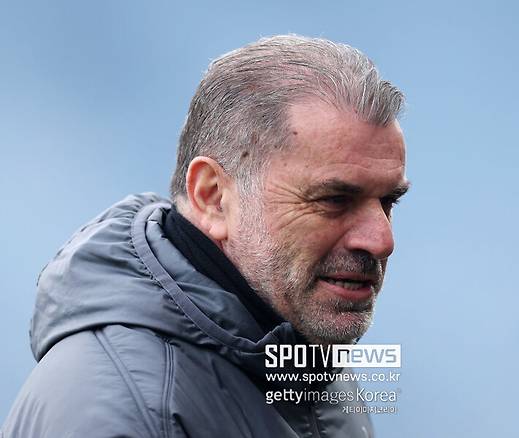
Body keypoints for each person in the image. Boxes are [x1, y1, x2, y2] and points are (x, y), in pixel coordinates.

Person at [2, 35, 408, 438]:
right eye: (335, 200)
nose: (381, 241)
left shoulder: (304, 359)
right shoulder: (123, 412)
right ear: (213, 197)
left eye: (388, 201)